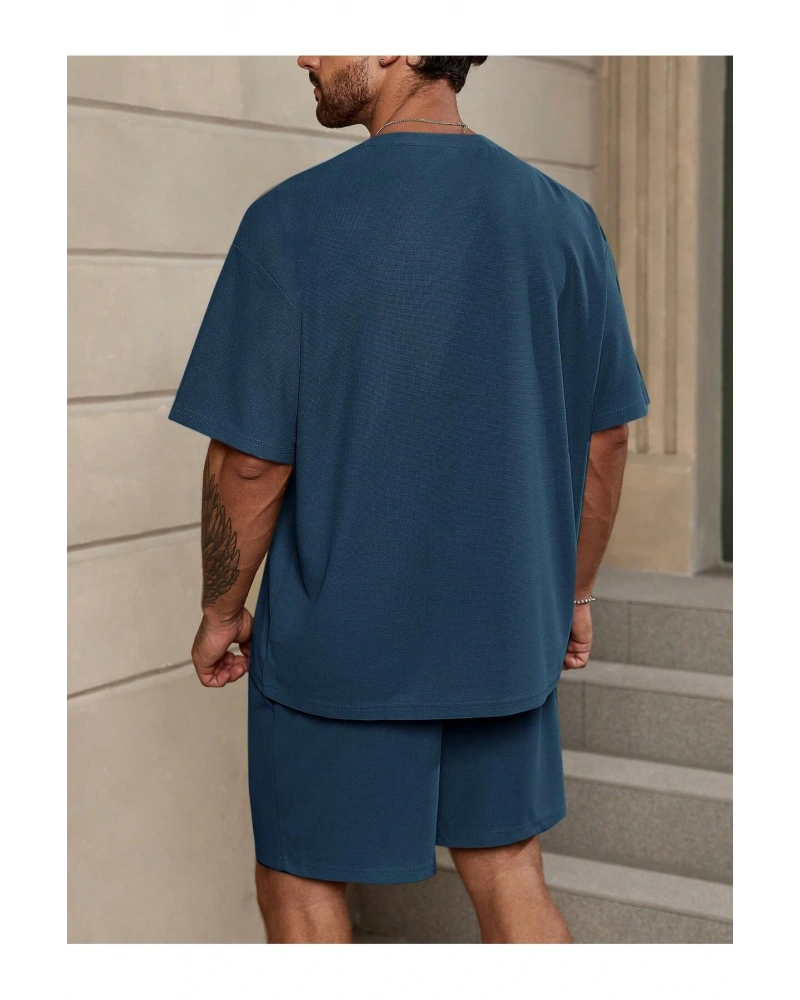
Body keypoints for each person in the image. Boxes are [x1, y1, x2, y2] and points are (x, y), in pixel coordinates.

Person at [168, 55, 649, 944]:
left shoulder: (291, 220)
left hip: (336, 649)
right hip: (505, 634)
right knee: (510, 872)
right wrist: (572, 596)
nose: (306, 53)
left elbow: (250, 465)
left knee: (302, 883)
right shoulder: (564, 221)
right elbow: (605, 442)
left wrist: (220, 609)